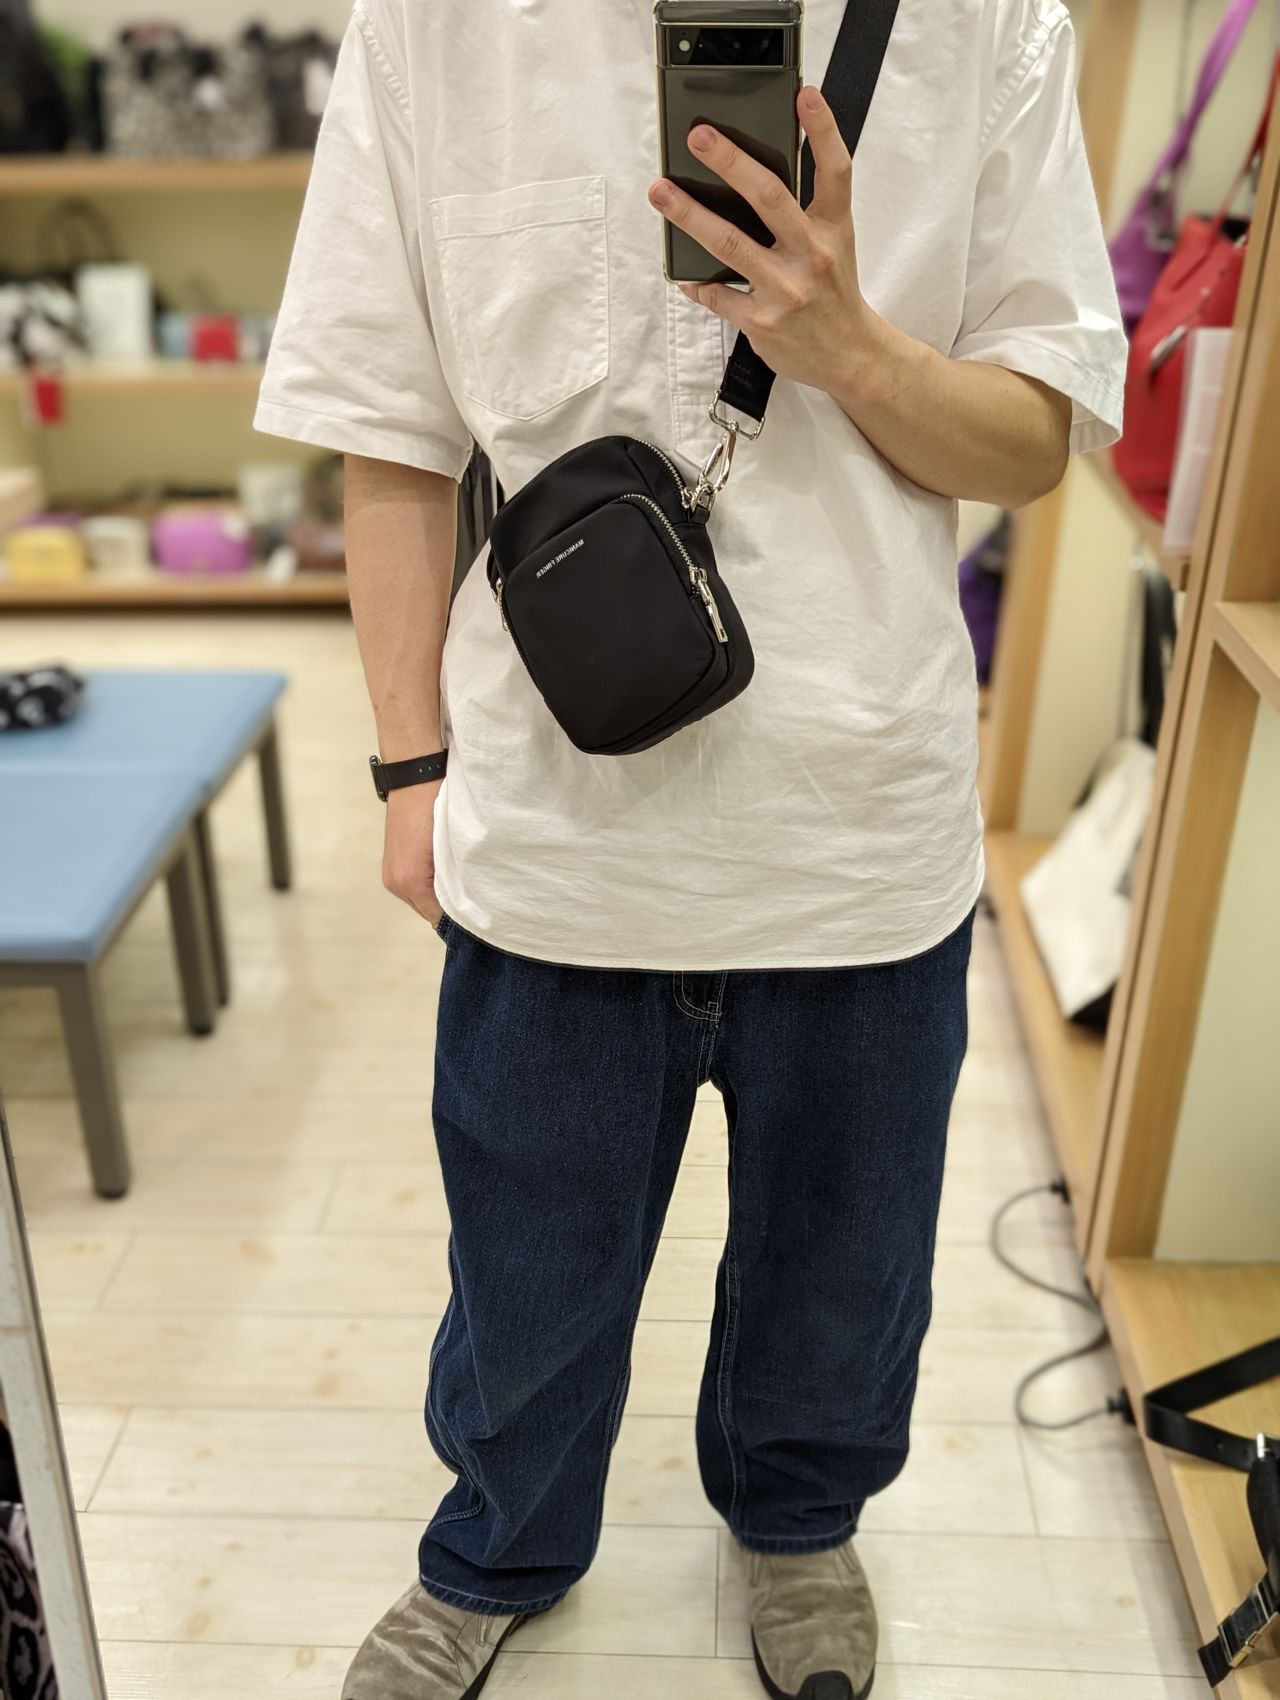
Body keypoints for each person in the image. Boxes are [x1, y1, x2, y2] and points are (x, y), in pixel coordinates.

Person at [256, 1, 1126, 1694]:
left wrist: (851, 345)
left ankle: (801, 1528)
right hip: (554, 829)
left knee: (843, 1272)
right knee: (526, 1271)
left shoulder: (988, 20)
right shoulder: (439, 23)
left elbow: (1038, 433)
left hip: (861, 829)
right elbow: (390, 424)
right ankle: (497, 1545)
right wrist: (409, 767)